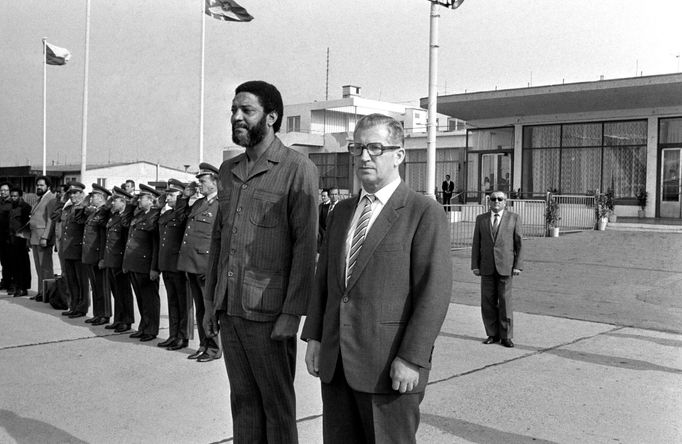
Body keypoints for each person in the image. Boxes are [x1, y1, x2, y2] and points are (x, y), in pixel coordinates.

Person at [302, 113, 451, 444]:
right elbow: (324, 281)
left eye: (375, 148)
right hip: (336, 363)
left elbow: (434, 294)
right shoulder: (341, 213)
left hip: (389, 368)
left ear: (399, 155)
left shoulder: (423, 213)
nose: (364, 156)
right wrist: (314, 337)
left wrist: (412, 358)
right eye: (358, 148)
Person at [203, 80, 318, 442]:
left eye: (246, 110)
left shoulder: (297, 168)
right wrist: (210, 303)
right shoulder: (229, 170)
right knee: (243, 403)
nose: (236, 117)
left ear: (272, 116)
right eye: (234, 110)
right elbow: (220, 240)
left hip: (268, 314)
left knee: (277, 407)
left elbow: (305, 245)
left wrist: (292, 312)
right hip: (230, 310)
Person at [177, 164, 221, 361]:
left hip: (206, 266)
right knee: (200, 308)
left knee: (209, 310)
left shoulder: (221, 204)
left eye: (203, 182)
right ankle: (204, 345)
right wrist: (184, 197)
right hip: (192, 263)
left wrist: (212, 266)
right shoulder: (199, 203)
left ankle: (214, 348)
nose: (199, 185)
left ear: (215, 183)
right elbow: (179, 219)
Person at [471, 190, 523, 348]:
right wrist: (475, 265)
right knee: (487, 302)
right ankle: (492, 334)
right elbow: (476, 244)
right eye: (493, 199)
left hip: (506, 267)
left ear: (505, 202)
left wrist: (518, 266)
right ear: (489, 201)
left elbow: (519, 244)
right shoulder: (481, 219)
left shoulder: (513, 218)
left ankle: (506, 336)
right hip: (486, 267)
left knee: (505, 302)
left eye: (500, 199)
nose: (496, 201)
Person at [156, 179, 191, 351]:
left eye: (172, 194)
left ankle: (182, 337)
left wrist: (183, 200)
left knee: (182, 303)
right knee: (172, 302)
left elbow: (183, 215)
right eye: (168, 194)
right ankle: (173, 334)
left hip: (178, 265)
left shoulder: (183, 214)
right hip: (166, 264)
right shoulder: (165, 215)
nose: (168, 197)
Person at [123, 184, 161, 342]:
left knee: (150, 300)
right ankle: (143, 327)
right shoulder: (138, 215)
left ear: (151, 200)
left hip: (146, 266)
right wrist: (131, 204)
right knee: (140, 298)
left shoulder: (155, 216)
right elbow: (125, 224)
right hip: (134, 263)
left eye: (141, 198)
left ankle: (151, 330)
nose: (138, 200)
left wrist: (154, 268)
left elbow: (156, 245)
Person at [103, 186, 136, 333]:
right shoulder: (114, 216)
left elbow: (125, 241)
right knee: (116, 291)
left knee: (124, 291)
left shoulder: (126, 217)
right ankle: (118, 319)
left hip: (120, 259)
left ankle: (126, 320)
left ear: (123, 202)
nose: (112, 202)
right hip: (111, 258)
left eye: (115, 200)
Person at [82, 184, 112, 326]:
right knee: (95, 286)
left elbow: (103, 237)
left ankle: (104, 314)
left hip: (97, 255)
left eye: (93, 196)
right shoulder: (95, 212)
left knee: (102, 286)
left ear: (101, 198)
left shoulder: (105, 212)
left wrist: (102, 257)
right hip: (90, 255)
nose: (91, 198)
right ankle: (97, 313)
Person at [60, 182, 90, 318]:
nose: (72, 196)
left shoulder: (85, 209)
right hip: (67, 250)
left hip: (78, 250)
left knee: (81, 280)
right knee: (71, 280)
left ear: (81, 194)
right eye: (70, 193)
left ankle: (82, 307)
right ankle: (73, 305)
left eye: (75, 193)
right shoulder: (68, 208)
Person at [28, 176, 57, 301]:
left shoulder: (51, 198)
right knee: (39, 267)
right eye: (38, 185)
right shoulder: (40, 198)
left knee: (45, 267)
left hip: (42, 238)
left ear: (48, 187)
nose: (39, 187)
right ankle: (41, 291)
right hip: (35, 237)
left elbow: (50, 220)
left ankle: (49, 293)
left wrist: (45, 237)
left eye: (41, 185)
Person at [7, 188, 32, 296]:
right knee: (14, 264)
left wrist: (27, 241)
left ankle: (23, 287)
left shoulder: (25, 207)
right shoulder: (11, 207)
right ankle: (17, 285)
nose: (13, 198)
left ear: (20, 196)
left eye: (15, 196)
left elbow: (27, 225)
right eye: (12, 196)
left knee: (23, 265)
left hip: (21, 239)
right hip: (12, 239)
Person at [0, 182, 12, 292]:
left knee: (10, 260)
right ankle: (5, 281)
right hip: (1, 237)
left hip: (9, 237)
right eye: (1, 190)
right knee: (3, 261)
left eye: (5, 190)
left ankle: (11, 283)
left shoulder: (12, 203)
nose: (3, 192)